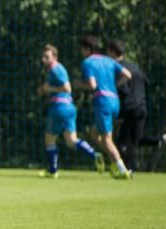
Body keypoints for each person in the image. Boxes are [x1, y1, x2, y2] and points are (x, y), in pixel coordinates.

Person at [36, 44, 102, 178]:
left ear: (55, 57)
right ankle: (94, 155)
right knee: (71, 141)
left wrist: (48, 89)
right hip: (69, 107)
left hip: (59, 108)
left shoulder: (56, 69)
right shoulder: (56, 69)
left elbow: (67, 88)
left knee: (49, 139)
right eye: (43, 56)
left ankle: (52, 171)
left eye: (47, 57)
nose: (44, 59)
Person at [78, 35, 133, 179]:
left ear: (87, 49)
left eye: (82, 50)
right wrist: (114, 85)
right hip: (115, 101)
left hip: (102, 101)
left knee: (106, 139)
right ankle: (111, 160)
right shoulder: (109, 60)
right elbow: (127, 75)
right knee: (95, 134)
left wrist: (77, 85)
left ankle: (122, 169)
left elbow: (92, 85)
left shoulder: (88, 62)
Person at [107, 39, 148, 173]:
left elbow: (123, 89)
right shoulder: (135, 66)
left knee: (121, 142)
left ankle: (126, 168)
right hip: (142, 106)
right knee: (136, 141)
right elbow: (146, 82)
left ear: (112, 52)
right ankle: (161, 140)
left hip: (129, 108)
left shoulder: (118, 69)